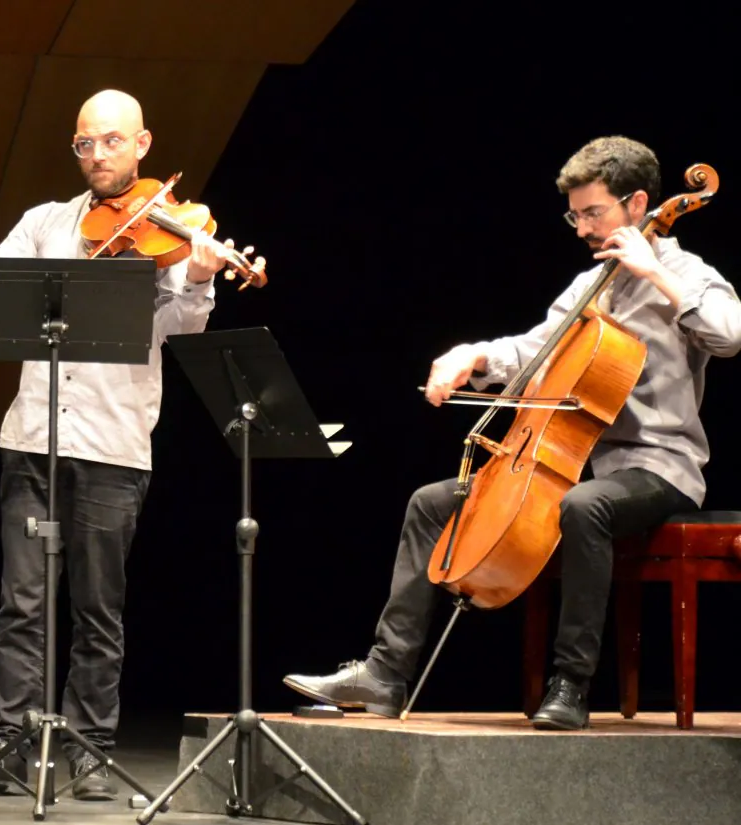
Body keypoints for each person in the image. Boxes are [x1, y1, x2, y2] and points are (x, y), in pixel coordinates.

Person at [283, 136, 741, 731]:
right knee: (430, 503)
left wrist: (654, 273)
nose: (580, 228)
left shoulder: (687, 274)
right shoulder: (588, 286)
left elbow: (729, 335)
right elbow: (535, 350)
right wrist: (473, 356)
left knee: (587, 508)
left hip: (657, 467)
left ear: (636, 204)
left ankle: (571, 684)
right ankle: (384, 675)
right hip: (567, 460)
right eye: (573, 215)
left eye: (593, 213)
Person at [0, 89, 229, 799]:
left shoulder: (168, 230)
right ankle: (11, 743)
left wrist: (193, 278)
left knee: (97, 609)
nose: (96, 156)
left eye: (110, 142)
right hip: (33, 436)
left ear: (142, 144)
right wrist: (7, 317)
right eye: (84, 144)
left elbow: (181, 328)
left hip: (113, 443)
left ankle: (92, 749)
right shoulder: (45, 222)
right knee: (23, 602)